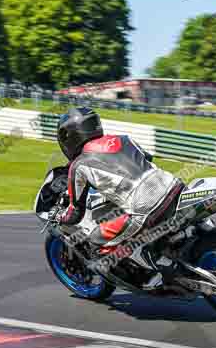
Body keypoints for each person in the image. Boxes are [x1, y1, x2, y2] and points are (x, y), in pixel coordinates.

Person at [55, 107, 185, 255]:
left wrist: (60, 218)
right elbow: (146, 158)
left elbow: (75, 213)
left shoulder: (78, 165)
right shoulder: (125, 138)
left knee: (95, 239)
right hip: (173, 184)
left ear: (70, 136)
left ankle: (160, 270)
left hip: (146, 208)